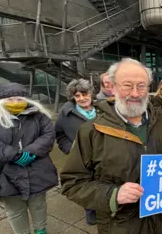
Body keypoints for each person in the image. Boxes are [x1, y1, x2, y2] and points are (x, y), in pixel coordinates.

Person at [60, 58, 162, 234]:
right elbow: (72, 183)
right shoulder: (91, 132)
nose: (135, 93)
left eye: (141, 86)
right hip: (120, 227)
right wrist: (113, 195)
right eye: (127, 85)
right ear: (114, 87)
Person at [0, 83, 57, 234]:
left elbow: (48, 134)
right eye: (10, 99)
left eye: (19, 99)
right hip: (5, 173)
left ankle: (41, 230)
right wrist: (14, 155)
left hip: (37, 169)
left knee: (38, 204)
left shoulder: (38, 115)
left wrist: (30, 152)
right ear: (0, 100)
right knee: (15, 209)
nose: (16, 103)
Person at [55, 78, 97, 225]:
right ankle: (90, 210)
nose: (82, 98)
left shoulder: (103, 110)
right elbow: (59, 135)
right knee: (86, 184)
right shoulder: (66, 113)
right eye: (77, 96)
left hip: (104, 155)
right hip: (82, 158)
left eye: (84, 94)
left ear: (91, 94)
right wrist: (70, 150)